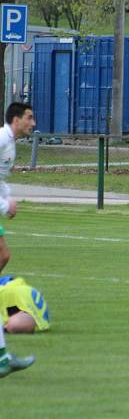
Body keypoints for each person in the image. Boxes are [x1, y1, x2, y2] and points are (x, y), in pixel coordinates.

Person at [0, 102, 36, 377]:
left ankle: (2, 359)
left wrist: (7, 198)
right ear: (15, 119)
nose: (33, 123)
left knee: (3, 255)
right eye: (29, 117)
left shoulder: (10, 144)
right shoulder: (2, 138)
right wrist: (4, 206)